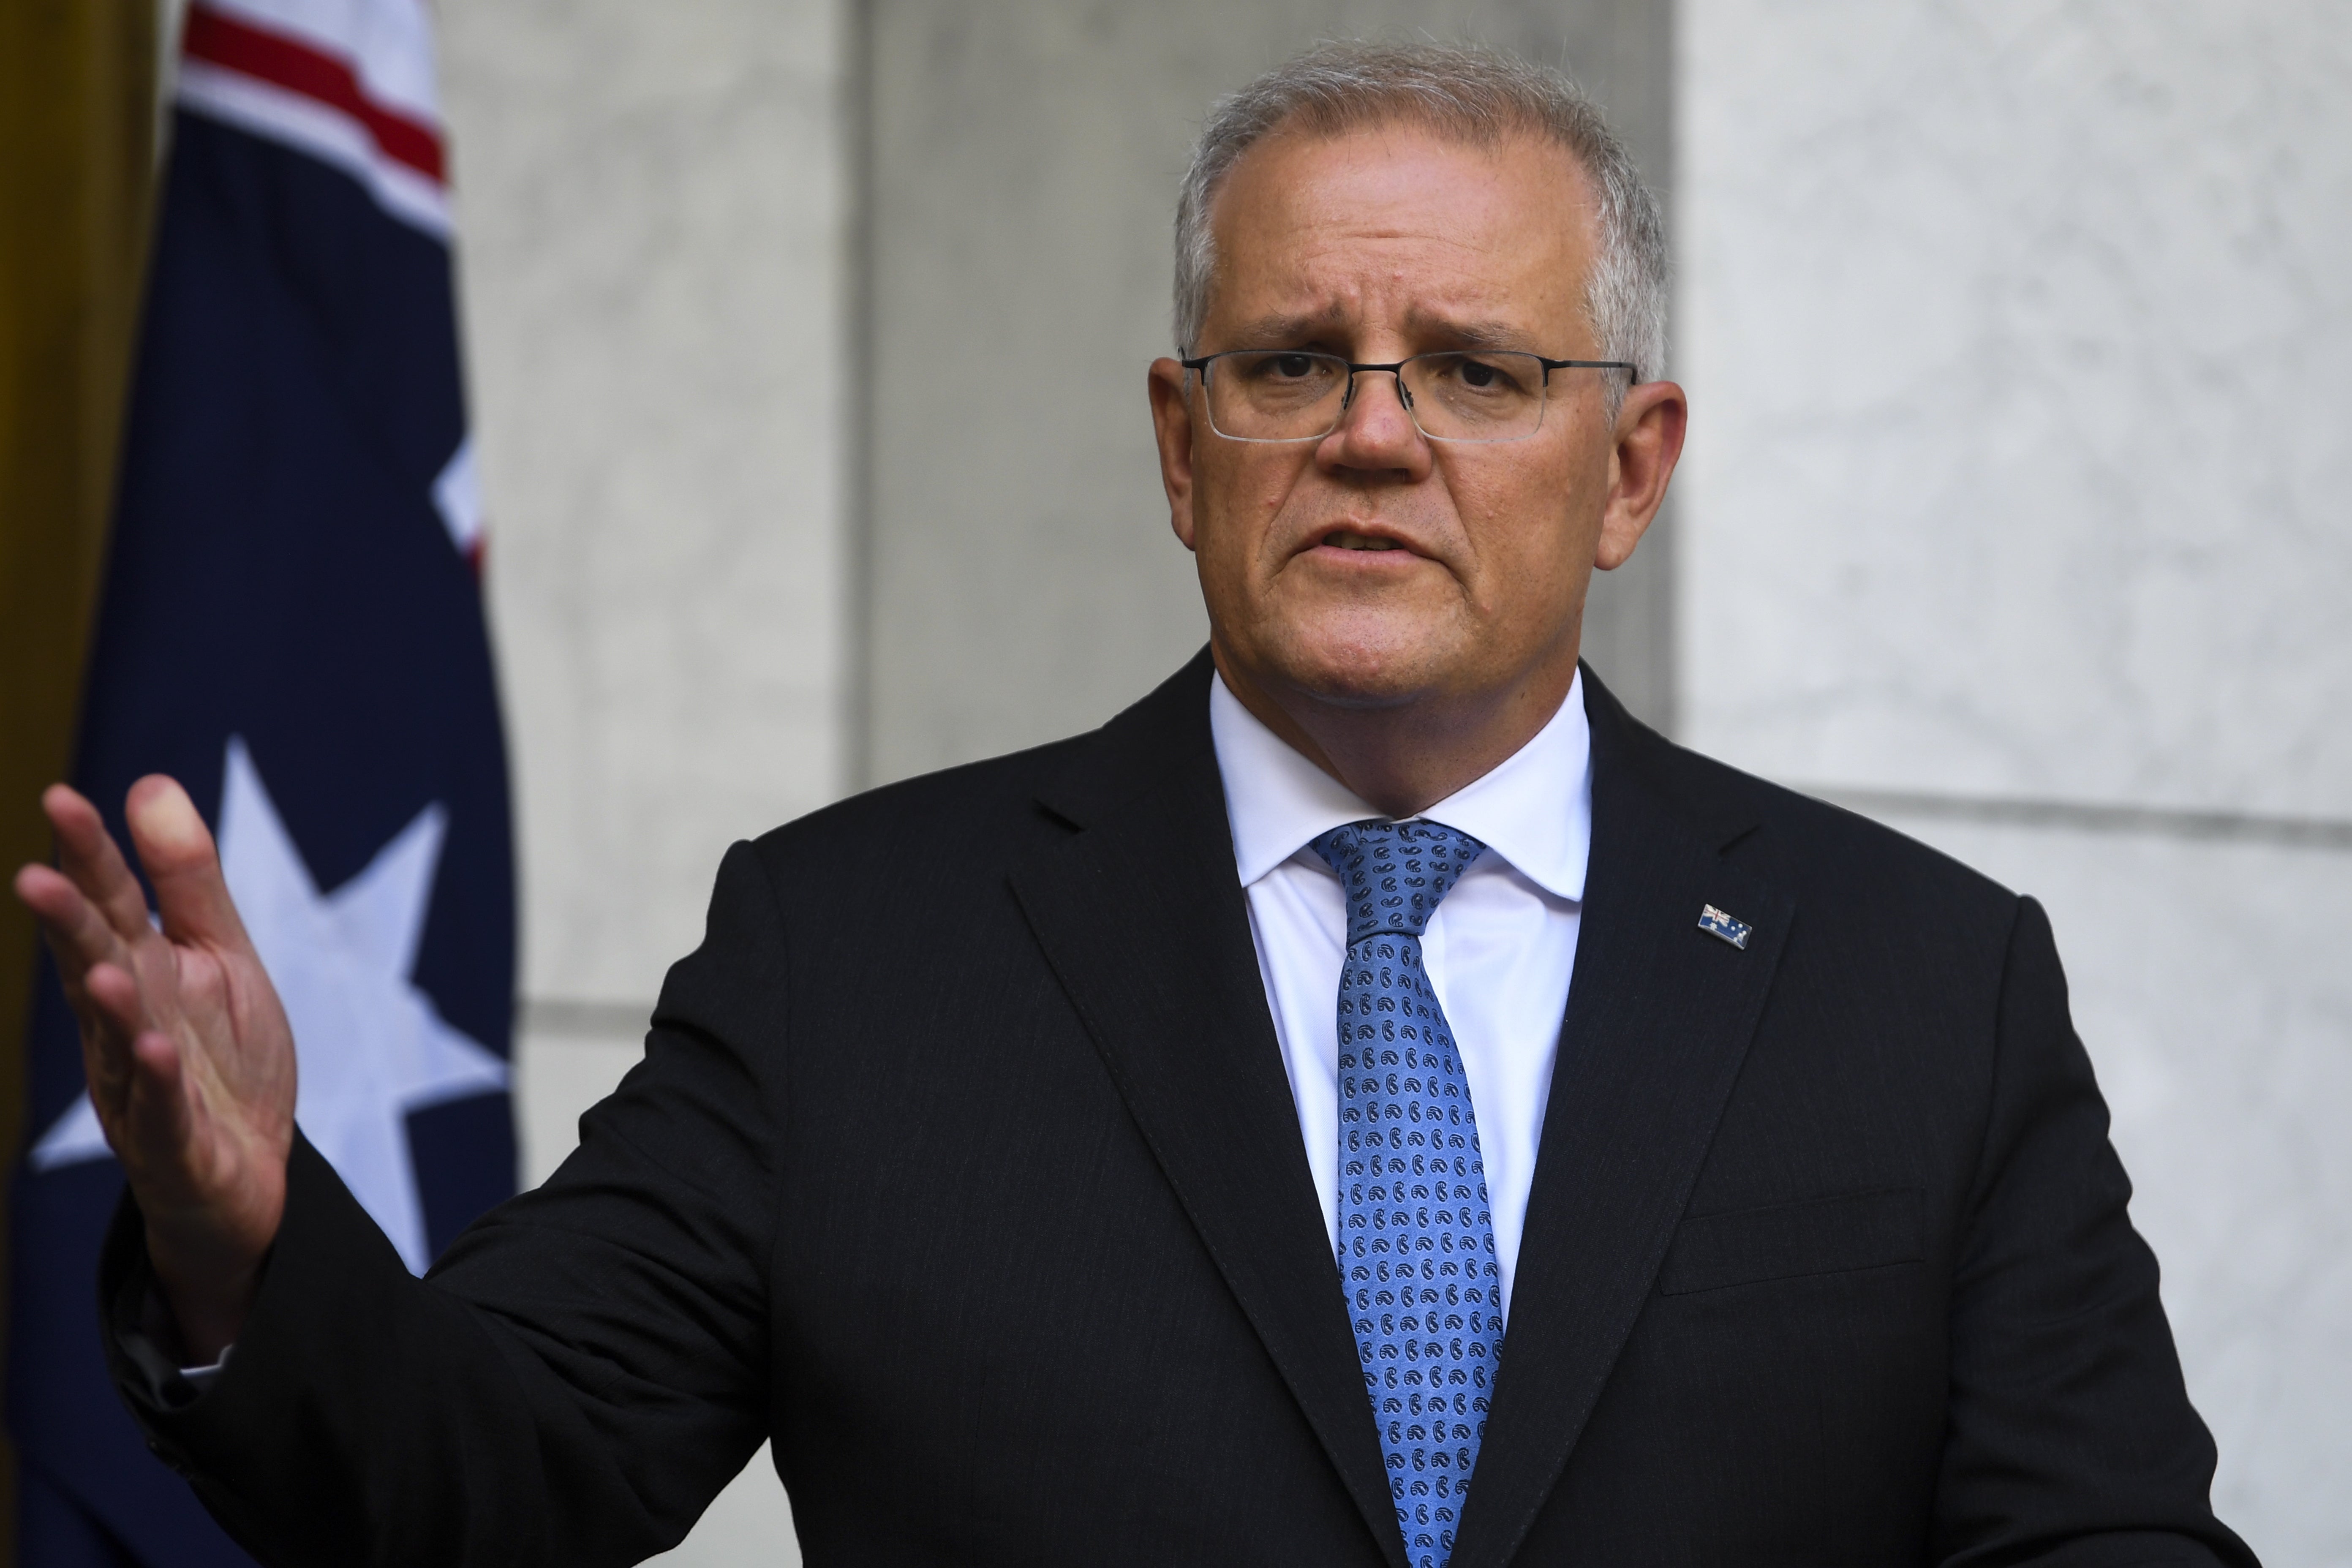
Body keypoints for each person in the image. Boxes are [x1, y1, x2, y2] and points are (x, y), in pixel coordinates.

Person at [15, 41, 2253, 1568]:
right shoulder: (857, 957)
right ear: (1184, 451)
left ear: (1632, 468)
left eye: (1475, 369)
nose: (1375, 433)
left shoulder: (1917, 986)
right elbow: (486, 1481)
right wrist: (246, 1241)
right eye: (1295, 361)